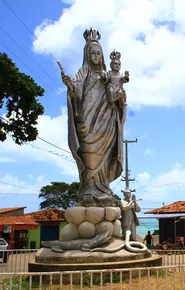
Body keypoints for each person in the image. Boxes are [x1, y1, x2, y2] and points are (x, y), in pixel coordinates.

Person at [61, 28, 127, 206]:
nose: (96, 56)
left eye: (99, 53)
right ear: (87, 55)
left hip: (106, 123)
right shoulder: (83, 73)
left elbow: (117, 93)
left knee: (105, 156)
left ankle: (103, 190)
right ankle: (88, 190)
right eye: (93, 53)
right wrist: (69, 86)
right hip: (87, 123)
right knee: (89, 155)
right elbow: (75, 91)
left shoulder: (107, 75)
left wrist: (121, 95)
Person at [102, 50, 130, 124]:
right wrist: (103, 76)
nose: (117, 65)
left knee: (122, 92)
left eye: (119, 64)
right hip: (112, 88)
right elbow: (106, 80)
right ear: (111, 65)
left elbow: (124, 80)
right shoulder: (110, 73)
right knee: (110, 90)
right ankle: (112, 103)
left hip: (118, 89)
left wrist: (126, 76)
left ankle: (122, 103)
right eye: (115, 64)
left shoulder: (120, 74)